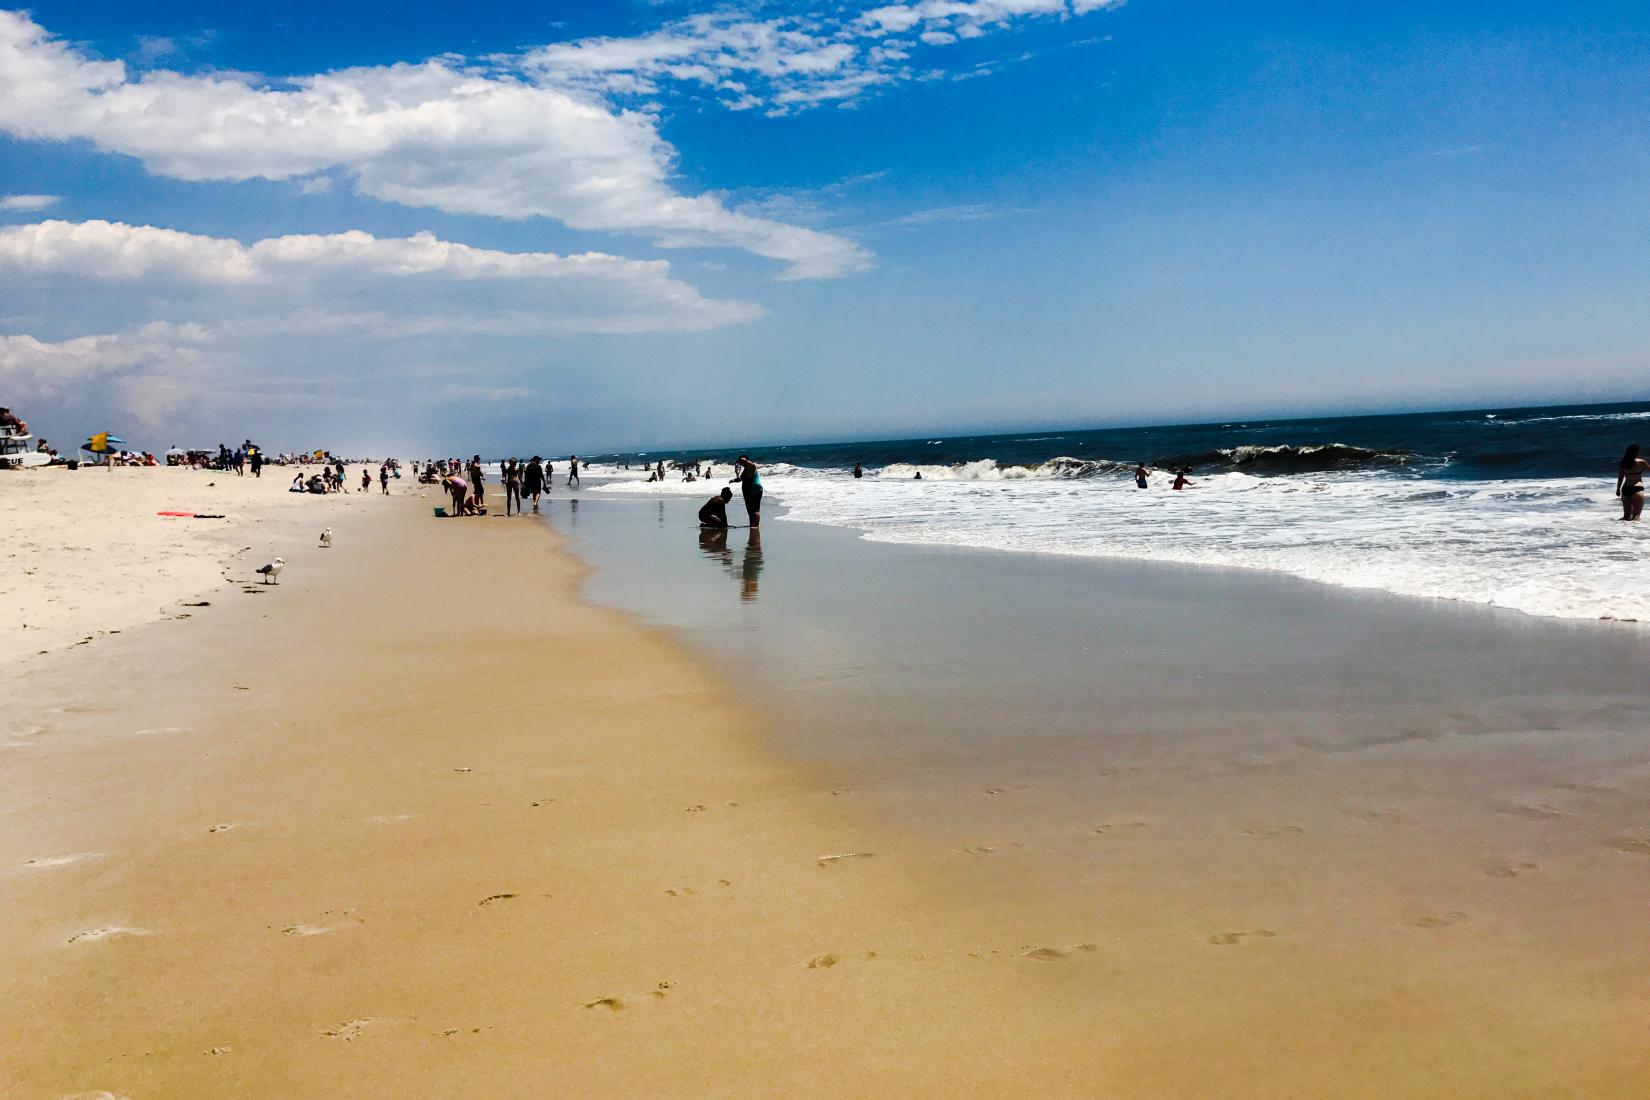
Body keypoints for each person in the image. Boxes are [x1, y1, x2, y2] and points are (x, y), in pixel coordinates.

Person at [1617, 444, 1647, 521]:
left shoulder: (1623, 463)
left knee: (1626, 516)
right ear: (1636, 452)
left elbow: (1620, 477)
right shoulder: (1641, 462)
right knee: (1636, 516)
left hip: (1625, 489)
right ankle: (1635, 532)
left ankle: (1622, 532)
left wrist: (1618, 489)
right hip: (1637, 488)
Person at [731, 454, 762, 527]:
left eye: (742, 461)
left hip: (754, 489)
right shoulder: (745, 469)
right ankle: (752, 525)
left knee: (755, 509)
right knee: (750, 510)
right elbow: (740, 478)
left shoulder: (751, 467)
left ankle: (755, 526)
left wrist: (742, 460)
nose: (742, 463)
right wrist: (733, 480)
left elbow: (753, 465)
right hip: (748, 491)